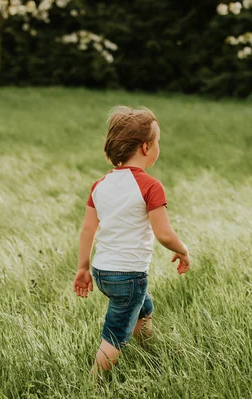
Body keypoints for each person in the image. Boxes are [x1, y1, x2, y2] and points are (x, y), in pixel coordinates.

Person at [73, 106, 190, 375]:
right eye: (158, 142)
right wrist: (183, 250)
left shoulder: (100, 185)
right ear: (146, 148)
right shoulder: (150, 186)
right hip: (129, 276)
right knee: (114, 334)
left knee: (143, 306)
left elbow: (87, 230)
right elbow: (163, 234)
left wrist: (83, 268)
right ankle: (91, 384)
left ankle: (149, 355)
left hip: (103, 272)